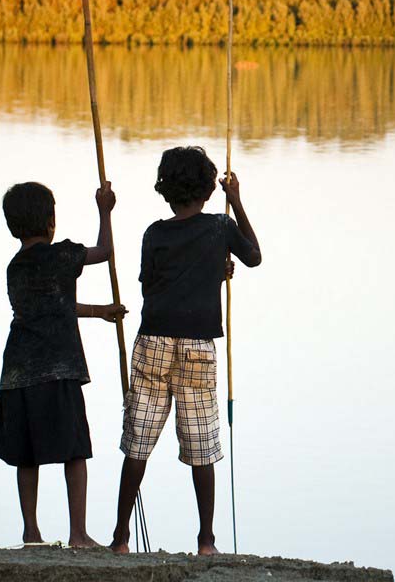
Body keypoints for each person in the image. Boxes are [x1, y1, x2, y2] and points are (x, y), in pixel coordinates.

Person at [109, 146, 261, 555]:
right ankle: (206, 541)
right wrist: (238, 202)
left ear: (166, 190)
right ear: (210, 191)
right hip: (197, 345)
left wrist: (214, 268)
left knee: (138, 439)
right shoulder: (219, 228)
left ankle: (120, 537)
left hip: (154, 340)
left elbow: (150, 285)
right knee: (200, 444)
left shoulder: (154, 234)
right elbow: (255, 256)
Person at [0, 180, 123, 548]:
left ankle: (31, 533)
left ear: (14, 225)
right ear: (50, 221)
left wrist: (100, 312)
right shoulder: (62, 256)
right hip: (59, 369)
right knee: (75, 451)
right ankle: (78, 534)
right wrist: (105, 209)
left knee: (25, 455)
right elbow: (106, 251)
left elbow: (51, 305)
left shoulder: (15, 267)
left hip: (18, 372)